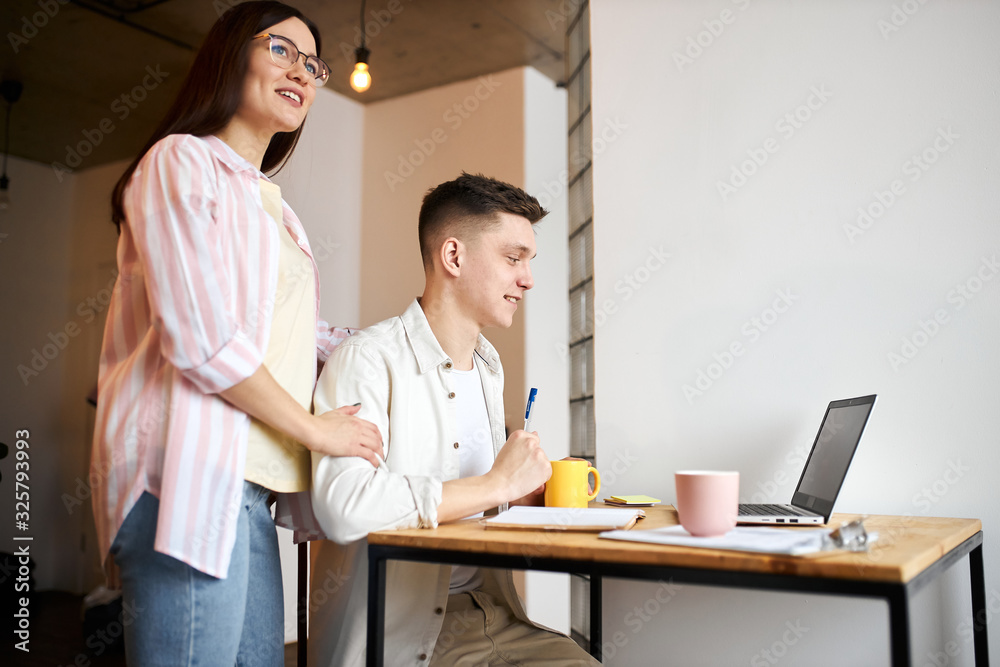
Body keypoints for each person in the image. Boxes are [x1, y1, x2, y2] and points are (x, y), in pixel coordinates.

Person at [89, 2, 383, 664]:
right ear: (230, 56)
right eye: (282, 51)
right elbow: (203, 339)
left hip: (249, 490)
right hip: (185, 479)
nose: (302, 73)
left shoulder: (278, 213)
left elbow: (300, 339)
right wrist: (317, 431)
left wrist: (417, 337)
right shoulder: (180, 162)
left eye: (313, 64)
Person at [309, 173, 600, 666]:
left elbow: (477, 500)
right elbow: (345, 508)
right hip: (406, 635)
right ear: (453, 257)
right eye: (513, 259)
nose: (527, 278)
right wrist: (495, 484)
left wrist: (523, 492)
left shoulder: (488, 366)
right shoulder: (367, 361)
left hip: (496, 614)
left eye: (529, 262)